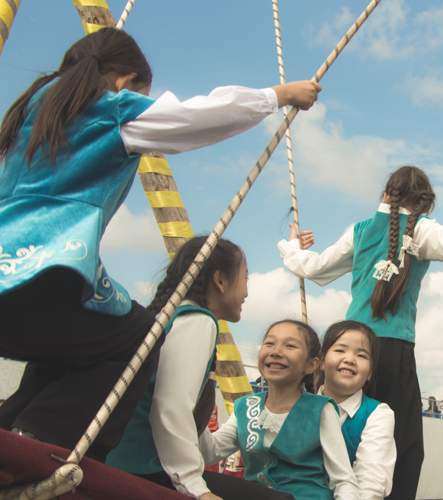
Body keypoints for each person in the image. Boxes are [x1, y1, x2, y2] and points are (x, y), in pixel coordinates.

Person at [0, 28, 319, 459]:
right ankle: (46, 441)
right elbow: (197, 118)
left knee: (81, 342)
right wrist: (279, 95)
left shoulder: (30, 115)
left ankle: (17, 429)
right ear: (123, 80)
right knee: (136, 336)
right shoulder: (109, 110)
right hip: (43, 270)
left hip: (12, 282)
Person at [278, 165, 443, 498]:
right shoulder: (422, 231)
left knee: (335, 428)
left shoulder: (360, 231)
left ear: (386, 193)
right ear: (424, 204)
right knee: (404, 444)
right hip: (392, 351)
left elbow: (313, 267)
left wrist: (293, 248)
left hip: (346, 345)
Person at [105, 237, 289, 500]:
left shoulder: (174, 317)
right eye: (245, 278)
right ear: (220, 280)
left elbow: (191, 423)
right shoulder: (198, 321)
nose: (247, 292)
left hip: (133, 463)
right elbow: (172, 407)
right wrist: (195, 487)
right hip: (142, 469)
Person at [201, 320, 359, 499]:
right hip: (256, 495)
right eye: (269, 343)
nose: (276, 352)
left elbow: (343, 480)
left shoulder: (321, 409)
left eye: (290, 346)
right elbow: (209, 453)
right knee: (200, 482)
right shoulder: (245, 407)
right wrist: (195, 410)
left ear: (312, 365)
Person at [317, 320, 396, 499]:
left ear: (370, 373)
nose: (350, 359)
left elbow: (370, 482)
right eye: (339, 350)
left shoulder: (378, 414)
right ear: (321, 361)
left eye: (361, 355)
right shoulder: (300, 406)